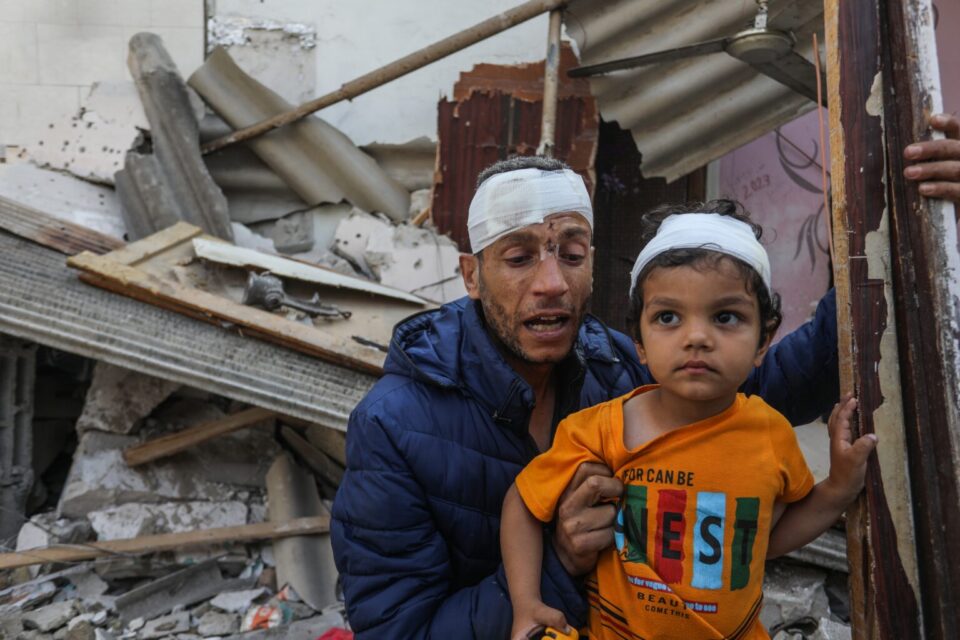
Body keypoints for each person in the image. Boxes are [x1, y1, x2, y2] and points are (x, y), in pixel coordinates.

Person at [330, 112, 960, 639]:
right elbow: (397, 632)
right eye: (519, 258)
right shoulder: (393, 427)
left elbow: (758, 394)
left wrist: (920, 223)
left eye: (571, 254)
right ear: (471, 275)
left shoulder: (615, 364)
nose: (552, 284)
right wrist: (559, 564)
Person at [501, 203, 877, 640]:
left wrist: (837, 488)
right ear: (640, 343)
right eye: (668, 317)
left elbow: (763, 541)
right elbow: (523, 502)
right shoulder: (601, 431)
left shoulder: (770, 435)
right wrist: (526, 605)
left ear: (763, 340)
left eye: (725, 317)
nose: (696, 337)